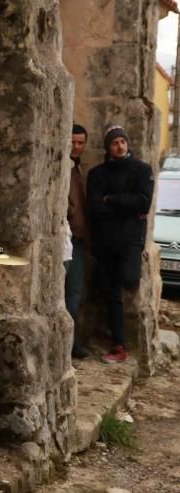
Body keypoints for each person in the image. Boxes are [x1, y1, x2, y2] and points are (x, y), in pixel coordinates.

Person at [86, 125, 154, 364]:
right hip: (106, 242)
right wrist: (127, 206)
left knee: (129, 280)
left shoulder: (142, 170)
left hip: (131, 241)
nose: (120, 146)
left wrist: (111, 199)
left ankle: (124, 340)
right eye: (115, 142)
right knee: (111, 293)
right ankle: (119, 345)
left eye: (123, 142)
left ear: (128, 144)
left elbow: (144, 203)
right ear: (108, 147)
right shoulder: (97, 174)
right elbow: (94, 207)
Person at [66, 123, 92, 359]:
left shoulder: (79, 170)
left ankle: (72, 344)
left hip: (80, 240)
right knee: (69, 295)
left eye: (80, 142)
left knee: (75, 294)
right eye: (72, 141)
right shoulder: (65, 168)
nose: (76, 146)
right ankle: (68, 346)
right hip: (67, 239)